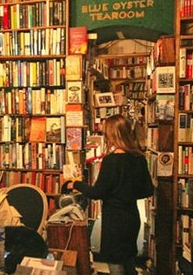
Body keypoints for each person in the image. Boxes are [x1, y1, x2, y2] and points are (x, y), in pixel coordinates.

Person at [66, 114, 154, 275]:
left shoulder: (111, 161)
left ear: (112, 134)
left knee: (115, 265)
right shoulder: (139, 158)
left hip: (115, 219)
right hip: (132, 216)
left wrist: (76, 184)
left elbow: (97, 192)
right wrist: (128, 191)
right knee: (128, 261)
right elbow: (148, 190)